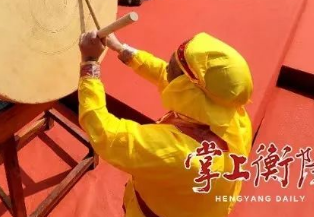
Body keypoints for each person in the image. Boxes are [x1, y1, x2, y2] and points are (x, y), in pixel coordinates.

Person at [78, 31, 253, 217]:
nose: (166, 68)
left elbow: (105, 133)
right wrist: (121, 49)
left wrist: (90, 64)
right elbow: (168, 76)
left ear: (190, 88)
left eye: (172, 67)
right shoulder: (231, 112)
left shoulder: (180, 152)